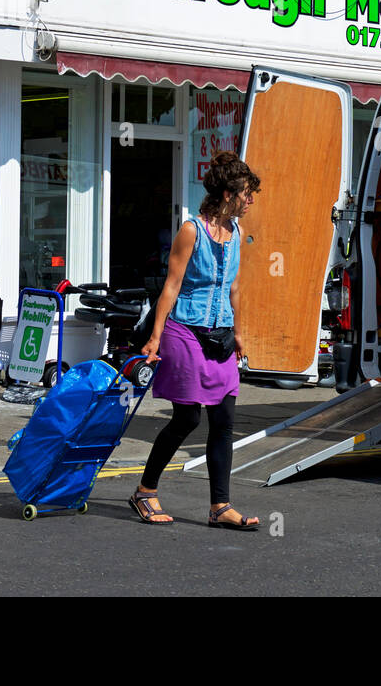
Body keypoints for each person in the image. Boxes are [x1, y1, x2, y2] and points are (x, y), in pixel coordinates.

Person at [128, 151, 262, 529]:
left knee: (224, 420)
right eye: (246, 194)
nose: (250, 201)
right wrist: (154, 337)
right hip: (184, 331)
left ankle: (220, 506)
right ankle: (145, 492)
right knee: (186, 418)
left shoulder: (235, 233)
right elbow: (171, 287)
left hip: (220, 336)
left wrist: (238, 332)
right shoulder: (192, 230)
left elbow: (234, 287)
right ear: (227, 194)